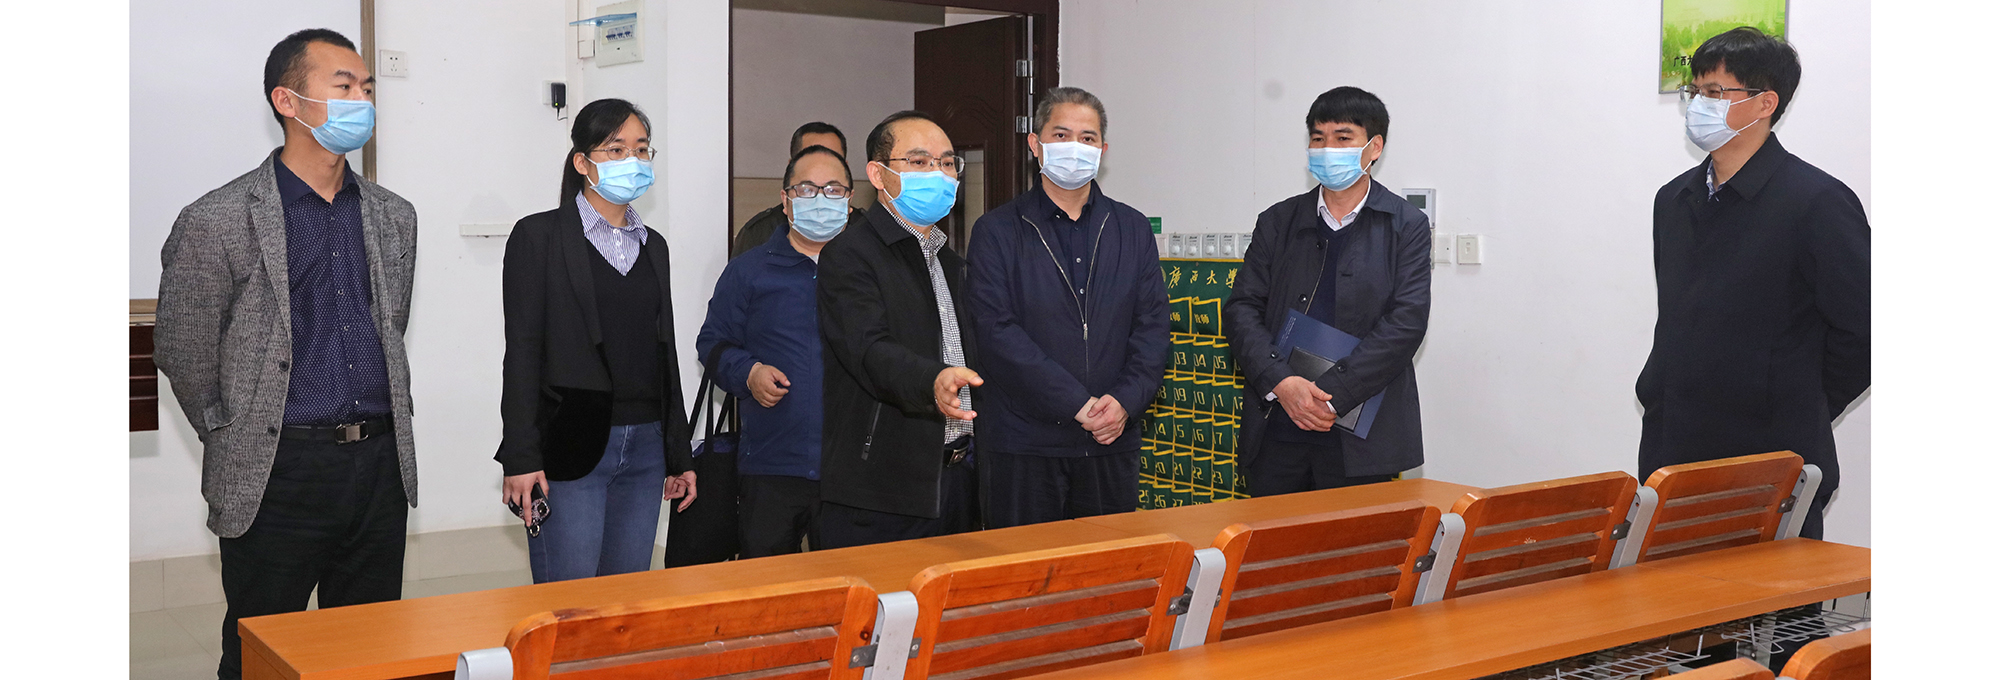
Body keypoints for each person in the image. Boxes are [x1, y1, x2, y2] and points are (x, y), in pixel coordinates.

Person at [154, 29, 419, 680]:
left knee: (368, 652)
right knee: (262, 653)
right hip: (279, 469)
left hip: (378, 466)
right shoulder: (217, 218)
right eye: (343, 87)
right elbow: (183, 346)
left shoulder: (394, 216)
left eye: (367, 88)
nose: (362, 101)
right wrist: (230, 428)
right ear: (288, 101)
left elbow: (390, 325)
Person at [1640, 27, 1869, 541]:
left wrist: (1797, 400)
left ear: (1766, 103)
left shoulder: (1817, 202)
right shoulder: (1673, 200)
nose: (1698, 104)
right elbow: (1680, 317)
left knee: (1772, 595)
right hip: (1673, 449)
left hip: (1772, 461)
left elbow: (1865, 329)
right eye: (1695, 90)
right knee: (1665, 591)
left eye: (1715, 91)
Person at [496, 98, 698, 583]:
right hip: (571, 444)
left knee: (625, 602)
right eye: (616, 149)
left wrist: (679, 453)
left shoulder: (654, 245)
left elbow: (665, 352)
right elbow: (522, 351)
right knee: (569, 602)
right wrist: (521, 456)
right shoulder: (539, 236)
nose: (633, 160)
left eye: (642, 149)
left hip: (646, 444)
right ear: (582, 163)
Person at [967, 87, 1169, 527]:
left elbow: (1152, 329)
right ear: (1035, 144)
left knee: (1108, 564)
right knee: (1026, 565)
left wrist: (1123, 402)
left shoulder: (1132, 228)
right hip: (1025, 446)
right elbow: (997, 334)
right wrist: (1078, 404)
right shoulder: (996, 231)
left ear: (1103, 151)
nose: (1075, 147)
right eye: (1061, 135)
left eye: (1087, 138)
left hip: (1111, 440)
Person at [1222, 86, 1431, 497]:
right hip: (1279, 422)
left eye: (1342, 137)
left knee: (1356, 536)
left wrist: (1331, 395)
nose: (1327, 149)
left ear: (1374, 147)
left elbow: (1406, 323)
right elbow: (1241, 309)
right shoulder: (1278, 221)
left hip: (1362, 431)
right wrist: (1283, 383)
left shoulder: (1405, 224)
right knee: (1274, 535)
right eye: (1318, 138)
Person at [816, 110, 983, 548]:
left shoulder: (951, 262)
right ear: (878, 174)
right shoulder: (849, 255)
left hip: (958, 480)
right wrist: (932, 380)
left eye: (947, 163)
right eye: (920, 161)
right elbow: (869, 349)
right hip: (880, 489)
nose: (939, 174)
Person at [695, 144, 854, 557]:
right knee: (768, 585)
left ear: (850, 201)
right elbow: (712, 342)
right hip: (771, 465)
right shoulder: (749, 271)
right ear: (785, 201)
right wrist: (748, 373)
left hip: (853, 469)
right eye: (807, 189)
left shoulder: (869, 272)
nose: (820, 199)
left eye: (833, 189)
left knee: (849, 583)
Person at [733, 122, 866, 258]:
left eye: (832, 157)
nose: (821, 164)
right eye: (809, 155)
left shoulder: (866, 231)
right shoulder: (760, 232)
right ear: (791, 166)